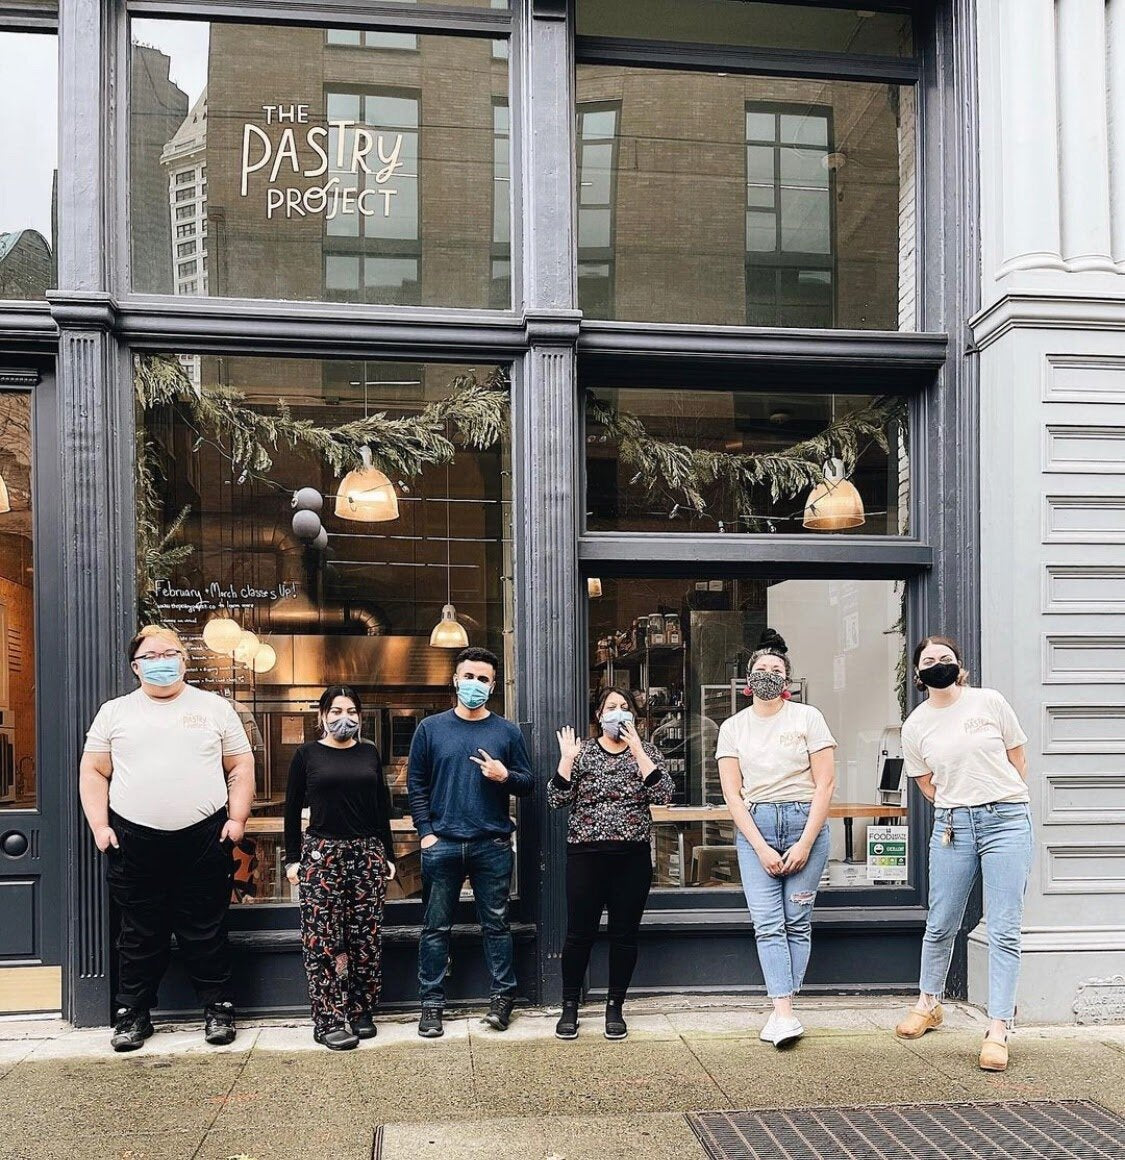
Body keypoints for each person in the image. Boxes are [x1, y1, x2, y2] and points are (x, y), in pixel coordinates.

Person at [78, 625, 255, 1052]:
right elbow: (94, 771)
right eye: (152, 655)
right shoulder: (114, 712)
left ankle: (218, 1008)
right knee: (139, 934)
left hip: (204, 838)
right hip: (132, 841)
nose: (163, 661)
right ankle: (133, 1015)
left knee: (206, 930)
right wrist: (100, 828)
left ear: (184, 659)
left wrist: (237, 819)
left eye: (170, 653)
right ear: (136, 666)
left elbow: (241, 766)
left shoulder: (214, 708)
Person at [894, 635, 1032, 1073]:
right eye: (929, 660)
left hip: (1006, 821)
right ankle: (928, 1003)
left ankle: (998, 1027)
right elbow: (926, 783)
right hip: (954, 826)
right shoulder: (915, 725)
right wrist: (962, 803)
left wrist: (992, 797)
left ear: (959, 666)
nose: (939, 664)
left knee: (1004, 927)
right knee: (941, 921)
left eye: (945, 658)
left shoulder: (988, 703)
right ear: (918, 674)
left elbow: (1018, 759)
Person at [716, 628, 836, 1048]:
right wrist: (761, 846)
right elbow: (732, 794)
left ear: (787, 680)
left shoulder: (808, 718)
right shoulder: (732, 727)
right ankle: (784, 1013)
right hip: (756, 826)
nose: (769, 673)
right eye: (762, 669)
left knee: (797, 922)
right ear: (749, 680)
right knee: (768, 924)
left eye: (777, 669)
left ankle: (782, 1011)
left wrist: (804, 842)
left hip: (807, 822)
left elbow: (824, 785)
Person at [408, 646, 535, 1038]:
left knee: (496, 924)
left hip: (491, 844)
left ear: (493, 685)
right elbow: (416, 785)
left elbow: (528, 783)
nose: (474, 684)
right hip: (442, 843)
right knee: (435, 927)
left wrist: (504, 776)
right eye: (469, 677)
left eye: (483, 679)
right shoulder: (430, 729)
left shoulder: (507, 731)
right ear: (455, 680)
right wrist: (426, 833)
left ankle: (502, 1000)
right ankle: (431, 1004)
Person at [550, 688, 673, 1041]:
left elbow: (663, 795)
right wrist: (566, 760)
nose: (618, 714)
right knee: (579, 934)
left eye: (624, 708)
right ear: (598, 715)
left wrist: (638, 750)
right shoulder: (583, 752)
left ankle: (614, 1006)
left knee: (624, 935)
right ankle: (570, 1006)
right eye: (611, 708)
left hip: (632, 857)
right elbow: (555, 798)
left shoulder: (646, 752)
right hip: (586, 856)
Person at [284, 686, 397, 1050]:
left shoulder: (368, 752)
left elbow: (381, 806)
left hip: (366, 853)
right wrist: (292, 859)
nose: (342, 718)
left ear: (359, 718)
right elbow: (289, 811)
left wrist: (389, 855)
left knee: (366, 937)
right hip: (322, 854)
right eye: (335, 711)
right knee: (323, 937)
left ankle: (362, 1010)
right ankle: (329, 1017)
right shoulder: (306, 755)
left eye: (350, 711)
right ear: (322, 716)